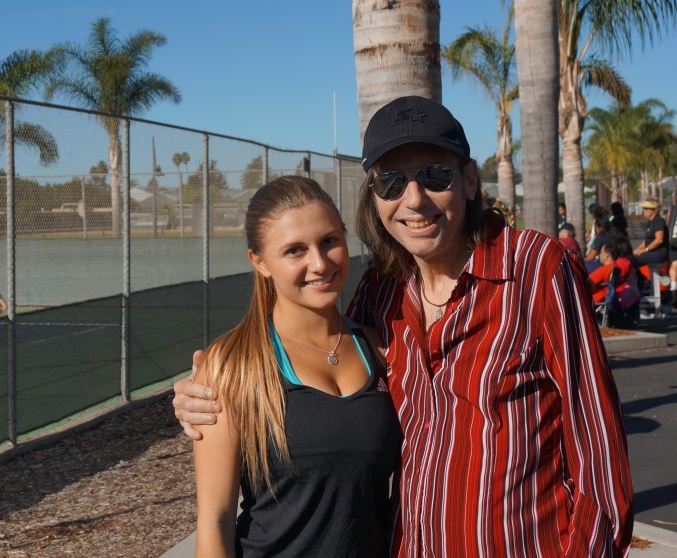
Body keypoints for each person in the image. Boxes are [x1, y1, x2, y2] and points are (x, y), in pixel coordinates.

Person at [175, 96, 633, 555]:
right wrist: (200, 394)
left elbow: (599, 456)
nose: (414, 199)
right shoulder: (382, 290)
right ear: (376, 199)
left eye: (434, 175)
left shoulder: (537, 271)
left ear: (470, 180)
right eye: (392, 183)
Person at [191, 176, 401, 557]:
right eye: (294, 251)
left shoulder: (380, 348)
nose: (319, 263)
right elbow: (214, 520)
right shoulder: (233, 366)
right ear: (260, 262)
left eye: (329, 241)